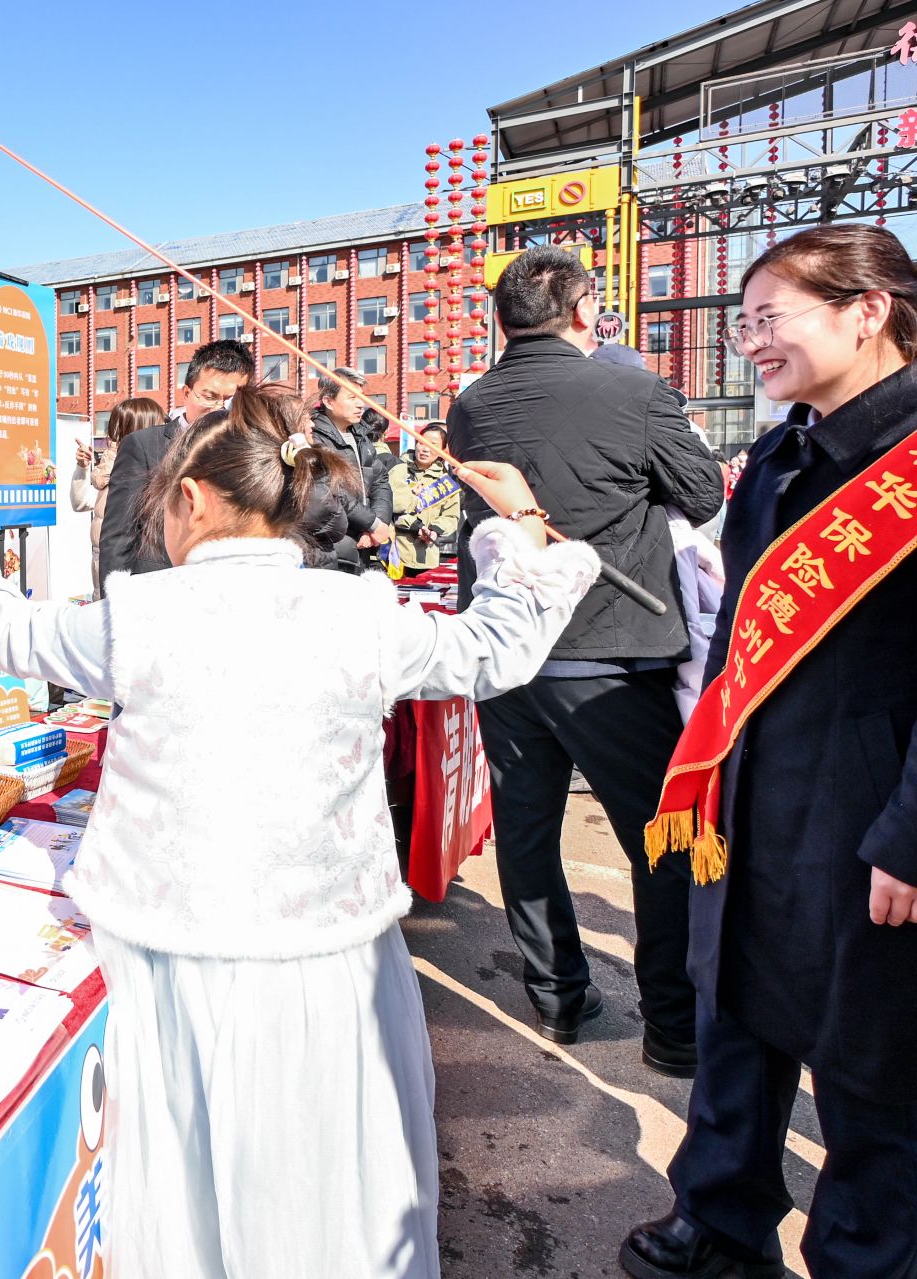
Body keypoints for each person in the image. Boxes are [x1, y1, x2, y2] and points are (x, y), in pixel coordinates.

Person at [0, 384, 601, 1278]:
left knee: (192, 1195)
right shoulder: (358, 612)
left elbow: (14, 629)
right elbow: (493, 649)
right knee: (322, 1189)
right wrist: (523, 527)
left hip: (173, 964)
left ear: (191, 500)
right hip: (331, 971)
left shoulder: (142, 614)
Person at [622, 224, 917, 1279]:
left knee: (870, 1059)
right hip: (750, 794)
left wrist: (910, 836)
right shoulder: (780, 457)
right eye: (741, 323)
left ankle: (863, 1255)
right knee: (734, 1010)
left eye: (768, 318)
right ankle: (720, 1218)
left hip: (867, 809)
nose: (749, 342)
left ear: (867, 311)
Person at [448, 245, 724, 1077]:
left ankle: (559, 996)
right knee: (660, 840)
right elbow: (703, 493)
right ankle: (672, 1026)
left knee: (528, 828)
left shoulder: (471, 403)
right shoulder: (633, 392)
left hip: (508, 651)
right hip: (611, 651)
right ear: (583, 311)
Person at [96, 340, 252, 591]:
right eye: (209, 396)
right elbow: (118, 535)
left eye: (230, 401)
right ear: (186, 392)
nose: (219, 409)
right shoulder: (143, 445)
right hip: (156, 590)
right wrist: (113, 602)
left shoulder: (248, 451)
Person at [70, 397, 165, 594]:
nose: (113, 437)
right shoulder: (111, 466)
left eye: (117, 428)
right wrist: (82, 468)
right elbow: (81, 503)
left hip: (131, 573)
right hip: (111, 569)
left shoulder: (150, 468)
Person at [309, 368, 396, 570]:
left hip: (364, 542)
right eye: (352, 397)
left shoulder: (361, 435)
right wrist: (372, 524)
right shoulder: (314, 437)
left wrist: (378, 522)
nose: (360, 404)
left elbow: (380, 480)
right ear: (328, 401)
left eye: (361, 397)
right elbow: (331, 490)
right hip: (330, 546)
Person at [387, 423, 462, 577]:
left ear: (442, 451)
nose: (425, 449)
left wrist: (434, 531)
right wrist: (416, 526)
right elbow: (391, 506)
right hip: (394, 552)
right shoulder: (398, 468)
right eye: (422, 442)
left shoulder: (446, 482)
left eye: (433, 445)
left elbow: (451, 516)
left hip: (426, 557)